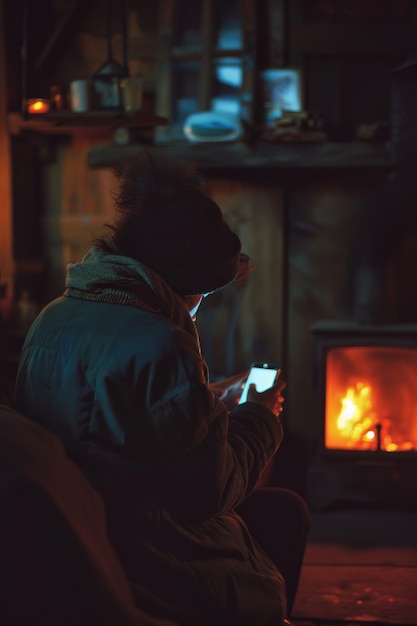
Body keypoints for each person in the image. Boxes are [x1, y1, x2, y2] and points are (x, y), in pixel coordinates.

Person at [15, 149, 310, 626]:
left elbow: (113, 415)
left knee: (281, 512)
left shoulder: (56, 315)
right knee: (284, 518)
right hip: (142, 555)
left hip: (72, 529)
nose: (198, 306)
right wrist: (258, 414)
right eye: (204, 293)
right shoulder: (160, 341)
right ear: (186, 280)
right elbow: (206, 494)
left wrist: (209, 396)